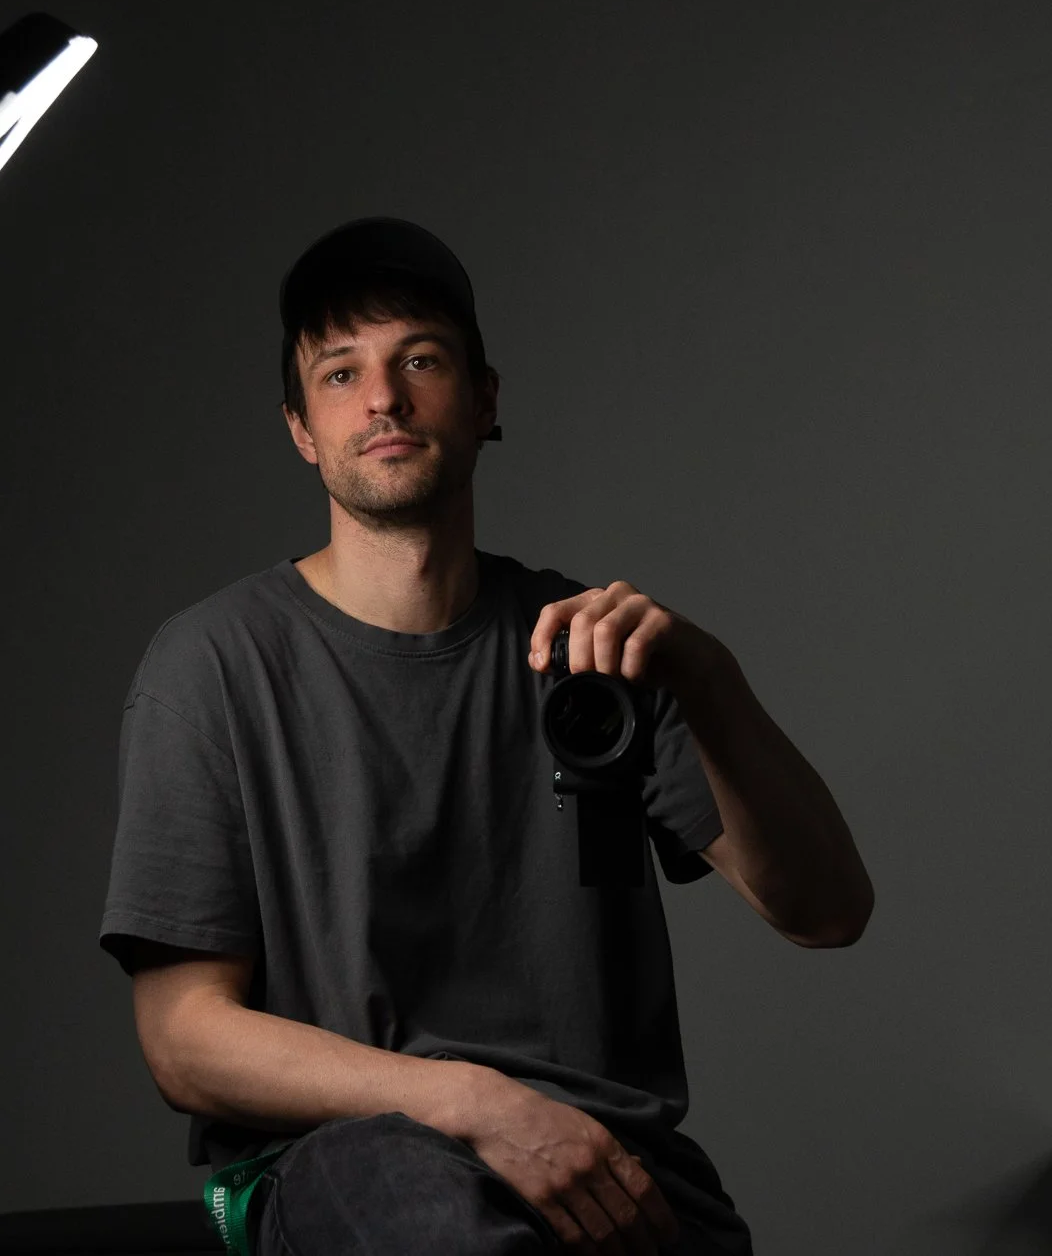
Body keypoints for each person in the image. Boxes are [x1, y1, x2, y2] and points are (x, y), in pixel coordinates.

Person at [100, 217, 874, 1256]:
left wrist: (710, 677)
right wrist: (474, 1102)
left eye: (420, 360)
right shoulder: (213, 664)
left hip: (609, 1163)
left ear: (485, 399)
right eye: (341, 374)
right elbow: (183, 1039)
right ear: (301, 429)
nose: (383, 398)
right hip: (351, 1159)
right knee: (430, 1212)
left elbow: (826, 912)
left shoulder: (591, 650)